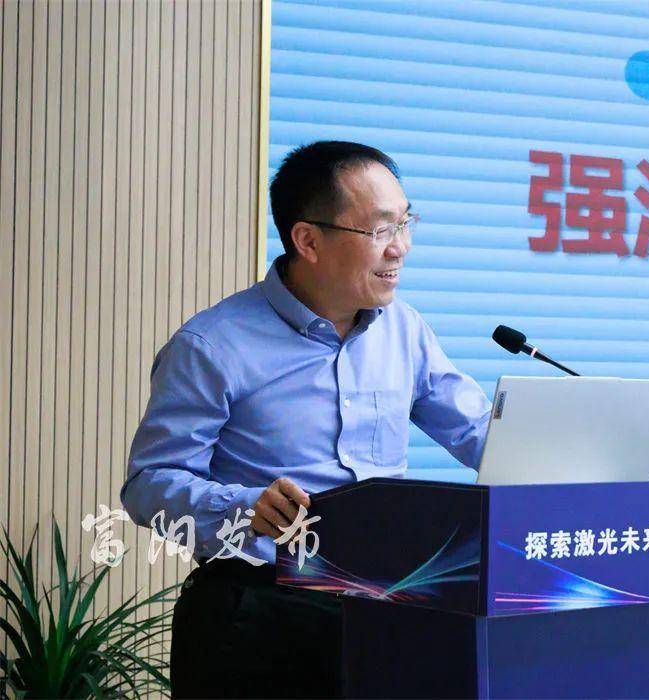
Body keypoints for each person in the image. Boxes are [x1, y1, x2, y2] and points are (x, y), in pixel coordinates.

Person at [120, 141, 492, 698]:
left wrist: (589, 463)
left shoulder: (404, 329)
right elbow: (149, 484)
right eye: (381, 229)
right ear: (308, 240)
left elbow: (477, 431)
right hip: (256, 614)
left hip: (384, 606)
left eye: (405, 223)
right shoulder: (212, 346)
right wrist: (244, 508)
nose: (401, 248)